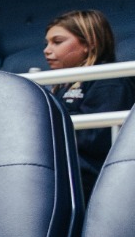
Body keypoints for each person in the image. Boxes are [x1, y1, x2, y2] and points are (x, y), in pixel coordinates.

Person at [42, 10, 131, 194]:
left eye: (57, 42)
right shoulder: (62, 85)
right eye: (47, 43)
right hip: (66, 173)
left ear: (90, 43)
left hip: (93, 181)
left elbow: (97, 138)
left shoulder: (110, 79)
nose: (47, 50)